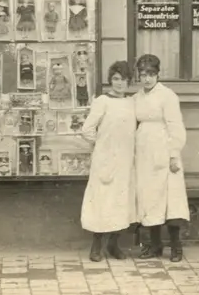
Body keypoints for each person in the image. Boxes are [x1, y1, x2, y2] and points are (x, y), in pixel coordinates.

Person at [131, 53, 189, 262]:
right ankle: (155, 246)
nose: (147, 78)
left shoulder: (168, 96)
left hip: (164, 152)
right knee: (149, 199)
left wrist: (174, 155)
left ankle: (176, 248)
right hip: (144, 154)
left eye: (151, 74)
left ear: (158, 75)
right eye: (143, 74)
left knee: (169, 200)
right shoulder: (136, 98)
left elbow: (176, 126)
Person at [79, 60, 137, 261]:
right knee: (102, 201)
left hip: (126, 161)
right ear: (110, 80)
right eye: (116, 79)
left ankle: (114, 244)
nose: (119, 83)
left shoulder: (132, 102)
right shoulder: (102, 101)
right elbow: (86, 130)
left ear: (130, 81)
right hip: (105, 160)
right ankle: (96, 246)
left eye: (124, 79)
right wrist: (102, 145)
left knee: (120, 202)